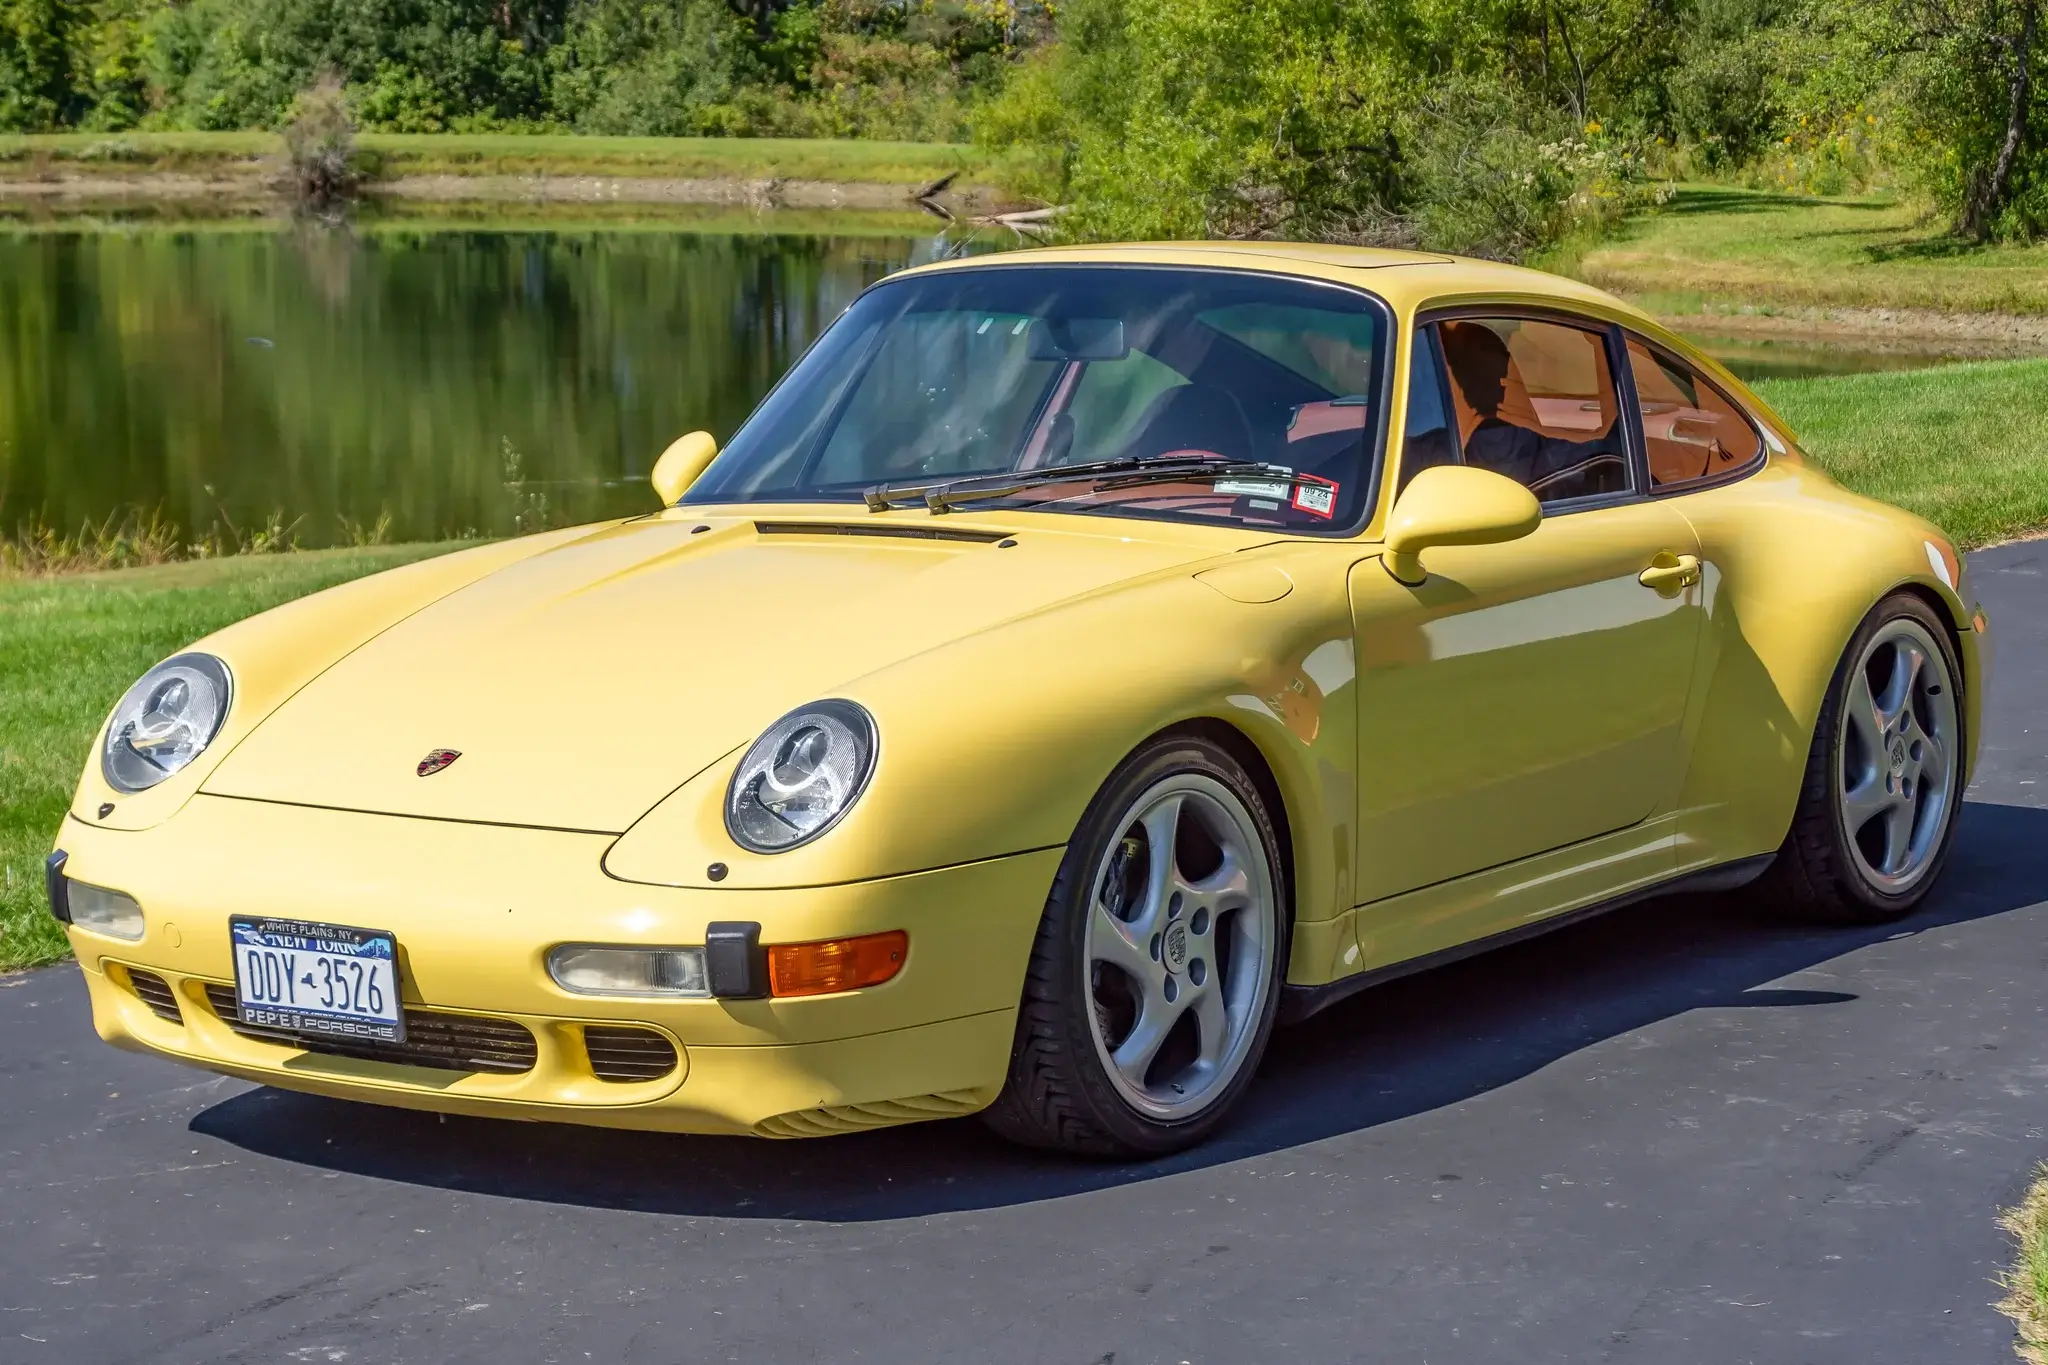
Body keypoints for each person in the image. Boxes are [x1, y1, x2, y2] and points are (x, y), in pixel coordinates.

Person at [1438, 322, 1624, 499]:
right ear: (1506, 378)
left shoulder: (1426, 456)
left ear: (1460, 387)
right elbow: (1611, 445)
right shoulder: (1548, 452)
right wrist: (1601, 341)